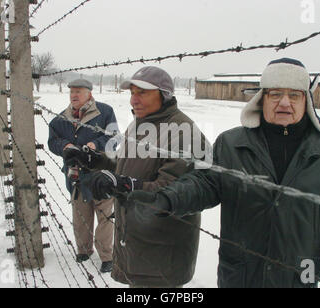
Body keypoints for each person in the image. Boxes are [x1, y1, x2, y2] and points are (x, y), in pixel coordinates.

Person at [128, 58, 320, 288]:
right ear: (262, 98)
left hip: (298, 280)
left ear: (306, 101)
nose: (285, 103)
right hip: (240, 278)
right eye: (276, 94)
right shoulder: (232, 144)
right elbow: (204, 184)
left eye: (295, 95)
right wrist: (168, 199)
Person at [65, 66, 211, 287]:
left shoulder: (182, 132)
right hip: (135, 241)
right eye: (132, 92)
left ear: (164, 94)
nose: (133, 100)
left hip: (162, 252)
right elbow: (126, 164)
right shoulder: (140, 125)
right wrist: (95, 160)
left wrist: (124, 185)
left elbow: (171, 193)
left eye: (142, 92)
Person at [47, 79, 119, 273]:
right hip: (76, 176)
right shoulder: (61, 118)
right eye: (71, 92)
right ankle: (84, 250)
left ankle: (107, 255)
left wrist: (95, 145)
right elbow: (52, 140)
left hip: (102, 175)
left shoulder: (105, 112)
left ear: (89, 93)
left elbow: (114, 136)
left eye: (78, 91)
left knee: (105, 215)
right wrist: (65, 147)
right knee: (80, 214)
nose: (73, 95)